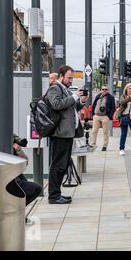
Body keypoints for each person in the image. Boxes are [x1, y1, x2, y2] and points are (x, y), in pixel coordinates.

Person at [46, 65, 88, 205]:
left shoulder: (65, 89)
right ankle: (53, 196)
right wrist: (74, 96)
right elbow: (56, 104)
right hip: (60, 133)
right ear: (61, 76)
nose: (71, 81)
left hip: (68, 133)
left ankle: (57, 193)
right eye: (69, 78)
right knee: (58, 164)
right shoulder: (54, 88)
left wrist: (81, 101)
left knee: (62, 164)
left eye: (72, 78)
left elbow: (72, 107)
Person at [91, 85, 116, 151]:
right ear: (101, 90)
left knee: (105, 132)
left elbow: (113, 108)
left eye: (106, 89)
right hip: (96, 116)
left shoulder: (110, 97)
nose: (104, 90)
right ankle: (92, 144)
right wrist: (93, 114)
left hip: (105, 116)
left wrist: (109, 116)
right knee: (94, 131)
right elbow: (94, 105)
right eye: (103, 89)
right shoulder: (98, 96)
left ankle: (105, 145)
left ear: (107, 90)